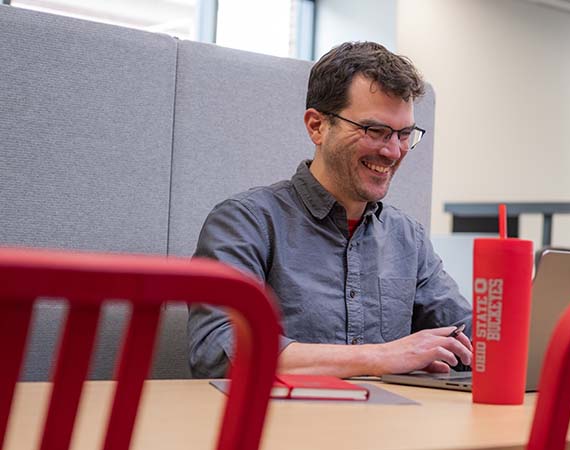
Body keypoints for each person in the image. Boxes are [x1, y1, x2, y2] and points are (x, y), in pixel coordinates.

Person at [187, 41, 472, 379]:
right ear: (317, 127)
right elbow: (217, 350)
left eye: (405, 134)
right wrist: (382, 357)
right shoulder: (246, 222)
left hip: (389, 428)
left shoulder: (407, 238)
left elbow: (470, 338)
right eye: (375, 131)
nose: (393, 151)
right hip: (282, 428)